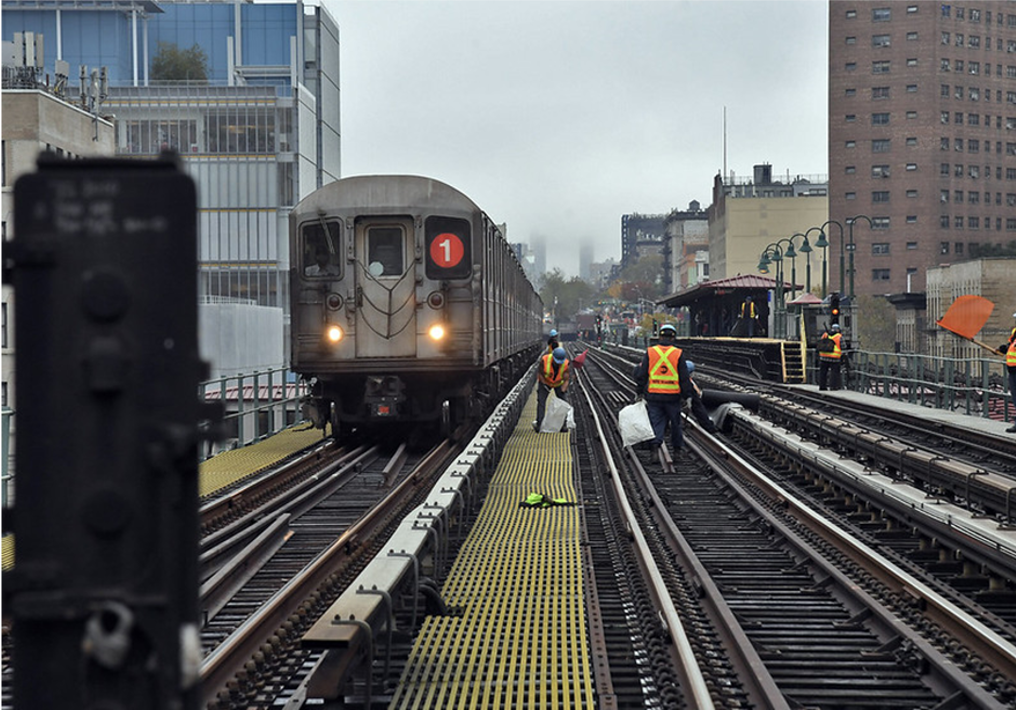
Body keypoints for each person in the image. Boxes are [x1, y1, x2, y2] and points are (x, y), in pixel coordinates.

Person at [631, 323, 692, 453]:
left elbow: (642, 374)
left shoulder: (651, 351)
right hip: (673, 397)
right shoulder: (678, 353)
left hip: (654, 395)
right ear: (673, 338)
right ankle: (677, 450)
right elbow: (684, 377)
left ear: (660, 337)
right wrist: (688, 396)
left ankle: (655, 446)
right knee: (676, 424)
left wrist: (639, 392)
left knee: (656, 423)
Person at [534, 346, 570, 432]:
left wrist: (563, 389)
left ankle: (563, 425)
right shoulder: (544, 360)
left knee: (563, 403)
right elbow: (540, 374)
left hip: (558, 383)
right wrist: (543, 385)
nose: (558, 364)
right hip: (545, 382)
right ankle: (539, 424)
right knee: (541, 402)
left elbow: (566, 379)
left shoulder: (565, 364)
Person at [684, 361, 718, 433]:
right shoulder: (687, 380)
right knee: (697, 406)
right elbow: (696, 392)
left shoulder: (680, 376)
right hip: (686, 391)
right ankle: (709, 427)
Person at [999, 312, 1016, 433]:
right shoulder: (1015, 332)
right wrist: (1004, 348)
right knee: (1015, 398)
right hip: (1013, 371)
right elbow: (1011, 346)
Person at [818, 323, 845, 391]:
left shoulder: (825, 334)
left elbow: (820, 343)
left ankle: (822, 386)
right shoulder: (839, 336)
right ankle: (833, 387)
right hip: (834, 358)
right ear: (838, 330)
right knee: (834, 373)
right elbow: (843, 346)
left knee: (823, 372)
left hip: (823, 356)